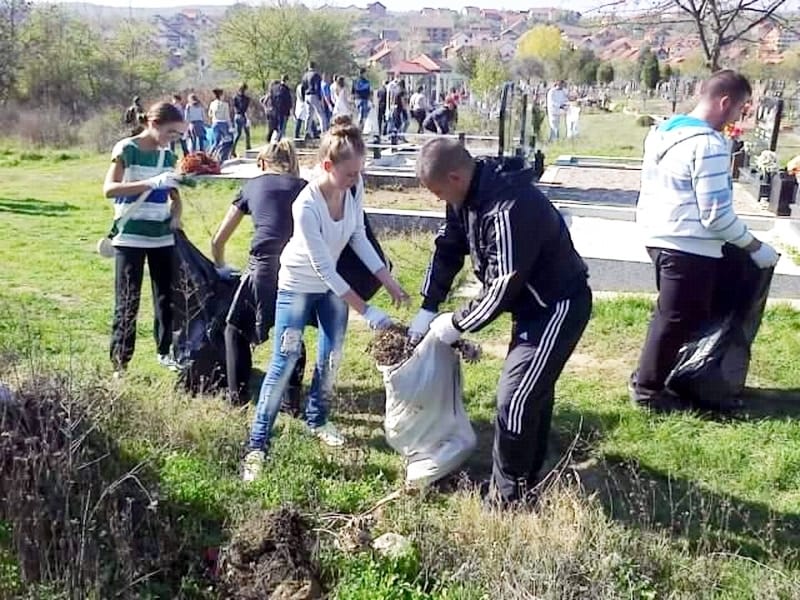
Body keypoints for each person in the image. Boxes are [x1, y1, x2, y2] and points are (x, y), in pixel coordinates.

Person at [407, 138, 591, 506]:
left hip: (557, 306)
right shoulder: (466, 197)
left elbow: (504, 283)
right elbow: (449, 247)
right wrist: (428, 305)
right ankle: (527, 475)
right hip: (532, 307)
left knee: (516, 399)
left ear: (456, 177)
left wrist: (455, 324)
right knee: (530, 392)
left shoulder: (508, 208)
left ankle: (507, 499)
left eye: (439, 191)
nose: (439, 200)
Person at [242, 116, 410, 482]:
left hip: (333, 286)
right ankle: (257, 445)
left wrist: (389, 281)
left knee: (331, 357)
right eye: (349, 174)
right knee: (284, 361)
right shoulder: (306, 205)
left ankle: (317, 418)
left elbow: (357, 237)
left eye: (359, 173)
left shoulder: (353, 186)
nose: (356, 180)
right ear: (328, 166)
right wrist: (368, 311)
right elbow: (323, 269)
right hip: (299, 285)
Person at [631, 70, 780, 411]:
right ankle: (648, 390)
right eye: (741, 107)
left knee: (678, 315)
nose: (741, 115)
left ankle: (673, 375)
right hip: (688, 244)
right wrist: (755, 247)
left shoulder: (663, 132)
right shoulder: (708, 145)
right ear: (725, 102)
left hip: (661, 235)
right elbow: (716, 215)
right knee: (673, 319)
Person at [211, 140, 308, 406]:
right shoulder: (304, 187)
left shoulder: (252, 185)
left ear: (262, 164)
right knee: (291, 330)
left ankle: (237, 397)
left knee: (234, 329)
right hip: (299, 268)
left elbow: (218, 240)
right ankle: (291, 400)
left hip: (263, 267)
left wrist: (221, 265)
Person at [102, 101, 187, 376]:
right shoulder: (127, 149)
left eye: (177, 135)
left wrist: (176, 212)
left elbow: (175, 198)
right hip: (130, 237)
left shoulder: (168, 156)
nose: (173, 139)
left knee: (167, 298)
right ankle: (120, 363)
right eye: (171, 133)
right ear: (153, 124)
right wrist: (151, 183)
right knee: (128, 300)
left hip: (161, 236)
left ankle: (165, 352)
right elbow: (110, 189)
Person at [301, 61, 326, 135]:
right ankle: (323, 131)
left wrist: (303, 98)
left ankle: (307, 132)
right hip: (314, 95)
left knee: (309, 115)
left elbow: (303, 87)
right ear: (314, 67)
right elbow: (317, 87)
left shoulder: (305, 76)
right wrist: (320, 98)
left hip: (306, 96)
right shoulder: (316, 75)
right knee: (321, 114)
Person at [232, 83, 252, 157]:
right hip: (243, 116)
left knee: (238, 134)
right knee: (247, 133)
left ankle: (233, 150)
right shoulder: (246, 99)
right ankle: (248, 148)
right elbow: (245, 109)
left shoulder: (235, 97)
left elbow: (235, 108)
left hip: (237, 116)